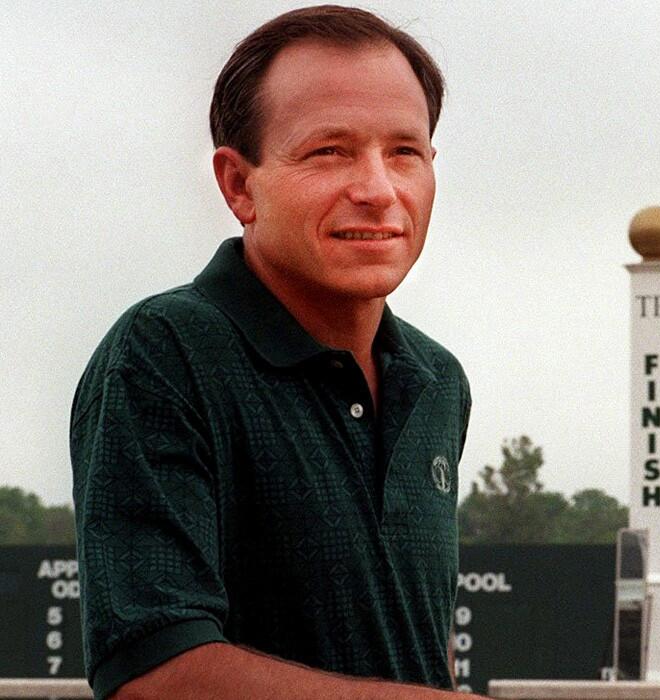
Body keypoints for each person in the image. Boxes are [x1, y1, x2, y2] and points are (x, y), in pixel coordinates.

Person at [69, 6, 481, 699]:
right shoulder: (163, 355)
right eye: (329, 151)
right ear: (238, 185)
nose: (378, 190)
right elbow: (151, 673)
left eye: (404, 151)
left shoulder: (437, 380)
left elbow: (416, 646)